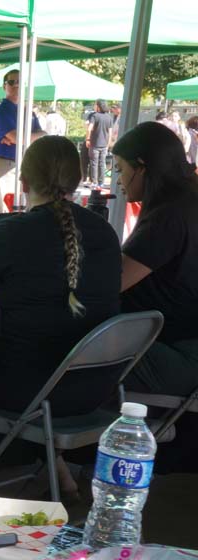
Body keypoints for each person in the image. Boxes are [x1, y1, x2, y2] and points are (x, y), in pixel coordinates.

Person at [0, 136, 121, 488]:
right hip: (95, 388)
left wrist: (1, 281)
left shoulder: (17, 230)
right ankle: (55, 466)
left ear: (24, 182)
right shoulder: (104, 231)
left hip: (30, 388)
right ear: (76, 180)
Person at [114, 122, 198, 398]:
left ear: (141, 167)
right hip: (181, 349)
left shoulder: (169, 216)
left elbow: (110, 283)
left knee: (59, 353)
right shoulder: (187, 201)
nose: (118, 180)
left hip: (175, 355)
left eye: (120, 169)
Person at [0, 69, 43, 212]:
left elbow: (43, 134)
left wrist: (22, 138)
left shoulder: (28, 111)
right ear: (4, 86)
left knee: (27, 210)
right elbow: (16, 137)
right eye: (12, 82)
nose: (16, 85)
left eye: (19, 82)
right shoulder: (1, 111)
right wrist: (23, 138)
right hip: (7, 165)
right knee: (4, 213)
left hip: (28, 165)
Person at [86, 100, 115, 187]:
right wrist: (108, 143)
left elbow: (89, 129)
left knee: (94, 163)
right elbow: (110, 132)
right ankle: (101, 183)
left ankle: (94, 182)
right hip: (104, 144)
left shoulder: (94, 116)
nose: (94, 106)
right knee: (102, 163)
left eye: (95, 105)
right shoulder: (109, 117)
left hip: (94, 144)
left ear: (98, 106)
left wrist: (88, 139)